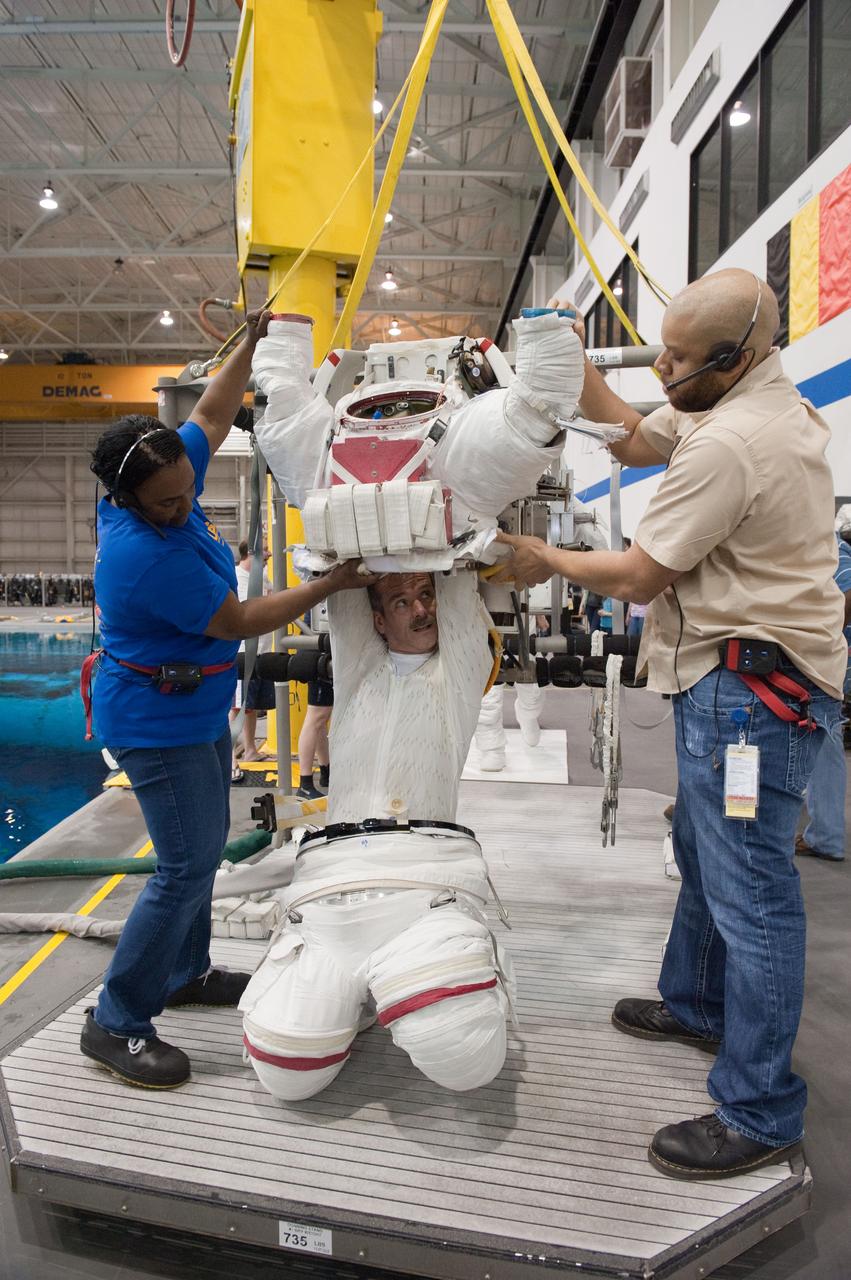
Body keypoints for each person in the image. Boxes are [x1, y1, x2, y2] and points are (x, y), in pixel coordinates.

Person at [495, 269, 845, 1179]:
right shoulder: (737, 398)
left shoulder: (731, 441)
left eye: (677, 357)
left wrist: (541, 557)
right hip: (728, 680)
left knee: (751, 893)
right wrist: (564, 357)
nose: (660, 367)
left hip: (749, 700)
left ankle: (759, 1110)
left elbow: (639, 576)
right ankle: (695, 1004)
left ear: (731, 358)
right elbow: (630, 434)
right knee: (702, 853)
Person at [82, 309, 371, 1090]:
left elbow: (210, 413)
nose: (184, 506)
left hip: (196, 707)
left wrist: (250, 344)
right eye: (167, 503)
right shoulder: (143, 557)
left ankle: (185, 972)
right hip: (157, 722)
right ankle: (117, 1020)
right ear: (127, 497)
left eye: (188, 491)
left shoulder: (167, 471)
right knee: (183, 867)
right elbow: (237, 621)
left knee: (201, 855)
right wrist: (330, 584)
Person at [239, 570, 514, 1099]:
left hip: (421, 888)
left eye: (426, 595)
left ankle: (381, 984)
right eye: (402, 602)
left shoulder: (457, 673)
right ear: (379, 621)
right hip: (331, 888)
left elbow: (458, 586)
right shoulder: (359, 670)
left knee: (467, 1057)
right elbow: (346, 591)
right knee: (286, 1071)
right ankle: (358, 987)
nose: (421, 609)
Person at [795, 528, 851, 862]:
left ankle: (826, 836)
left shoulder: (837, 551)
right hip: (835, 661)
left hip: (829, 662)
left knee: (824, 737)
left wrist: (825, 637)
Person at [230, 540, 275, 778]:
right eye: (265, 549)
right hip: (241, 652)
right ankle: (229, 758)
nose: (269, 553)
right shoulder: (235, 578)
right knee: (237, 707)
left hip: (261, 650)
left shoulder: (263, 577)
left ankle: (250, 750)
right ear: (251, 553)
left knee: (252, 706)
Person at [296, 675, 333, 799]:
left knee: (321, 719)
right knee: (316, 717)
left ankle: (326, 772)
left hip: (324, 667)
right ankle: (305, 785)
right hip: (320, 667)